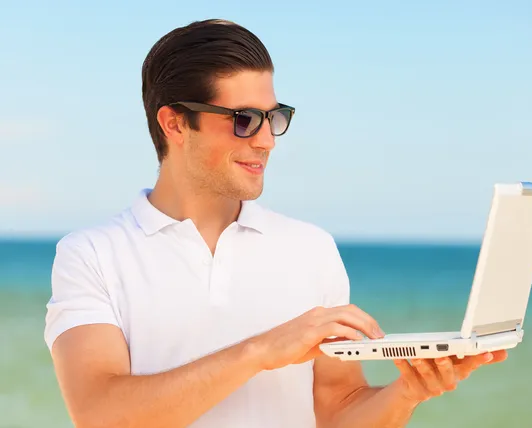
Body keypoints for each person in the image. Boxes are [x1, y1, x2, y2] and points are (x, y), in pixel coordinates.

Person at [44, 19, 507, 428]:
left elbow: (339, 409)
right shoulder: (91, 255)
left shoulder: (311, 248)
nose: (267, 140)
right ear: (175, 124)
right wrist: (261, 351)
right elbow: (100, 414)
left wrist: (407, 393)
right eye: (244, 119)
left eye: (274, 117)